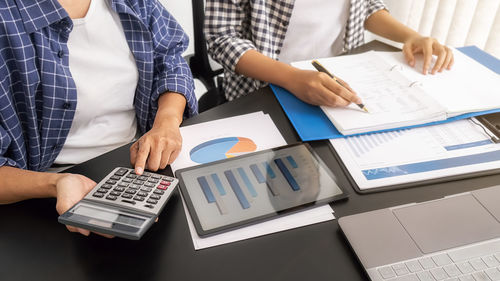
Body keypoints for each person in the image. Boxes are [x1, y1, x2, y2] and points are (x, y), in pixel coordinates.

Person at [0, 0, 197, 236]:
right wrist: (55, 184)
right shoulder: (6, 19)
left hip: (142, 165)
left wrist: (166, 121)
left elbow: (171, 61)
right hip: (45, 194)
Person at [205, 0, 454, 107]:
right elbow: (221, 38)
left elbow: (365, 6)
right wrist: (293, 78)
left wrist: (410, 36)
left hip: (338, 81)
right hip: (263, 88)